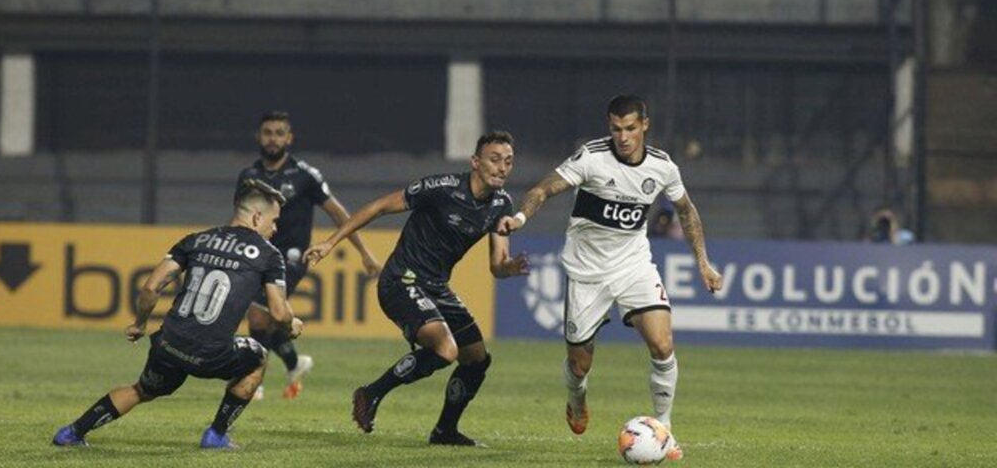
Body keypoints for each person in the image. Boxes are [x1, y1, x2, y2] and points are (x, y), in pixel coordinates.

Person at [497, 95, 723, 460]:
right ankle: (576, 399)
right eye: (616, 129)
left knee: (663, 345)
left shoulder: (662, 167)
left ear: (644, 126)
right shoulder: (592, 157)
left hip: (633, 265)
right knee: (579, 365)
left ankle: (664, 430)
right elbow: (542, 190)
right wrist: (520, 220)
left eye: (631, 128)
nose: (623, 136)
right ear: (609, 127)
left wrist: (703, 263)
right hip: (586, 273)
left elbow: (686, 210)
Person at [304, 131, 529, 446]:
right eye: (494, 160)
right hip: (401, 279)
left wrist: (509, 268)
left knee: (477, 359)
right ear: (476, 162)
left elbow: (496, 265)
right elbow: (379, 207)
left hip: (437, 287)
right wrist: (330, 242)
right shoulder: (443, 188)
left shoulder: (501, 203)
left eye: (508, 162)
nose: (502, 168)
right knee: (446, 350)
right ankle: (371, 393)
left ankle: (444, 431)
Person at [52, 179, 303, 449]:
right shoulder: (268, 255)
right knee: (258, 358)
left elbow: (151, 287)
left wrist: (140, 324)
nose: (275, 229)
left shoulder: (195, 239)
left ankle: (72, 432)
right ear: (256, 216)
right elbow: (278, 312)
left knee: (142, 390)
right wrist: (292, 324)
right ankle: (217, 434)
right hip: (213, 354)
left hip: (169, 344)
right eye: (274, 220)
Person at [237, 111, 380, 400]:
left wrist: (364, 252)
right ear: (259, 137)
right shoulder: (249, 176)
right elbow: (240, 218)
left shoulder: (305, 175)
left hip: (291, 257)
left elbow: (340, 214)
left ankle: (254, 380)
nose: (273, 138)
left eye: (279, 133)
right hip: (256, 253)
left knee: (258, 312)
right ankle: (294, 363)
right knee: (270, 319)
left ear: (289, 138)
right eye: (267, 132)